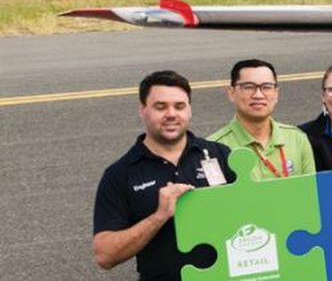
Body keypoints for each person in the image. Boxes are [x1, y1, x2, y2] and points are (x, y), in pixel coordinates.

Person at [94, 71, 236, 280]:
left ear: (189, 110)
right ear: (143, 110)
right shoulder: (120, 174)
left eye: (179, 106)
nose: (171, 114)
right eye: (160, 107)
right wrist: (159, 216)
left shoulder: (220, 155)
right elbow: (105, 255)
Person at [210, 59, 315, 179]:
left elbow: (311, 193)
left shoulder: (297, 139)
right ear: (231, 93)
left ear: (276, 94)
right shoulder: (214, 148)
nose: (258, 95)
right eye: (249, 87)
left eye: (266, 87)